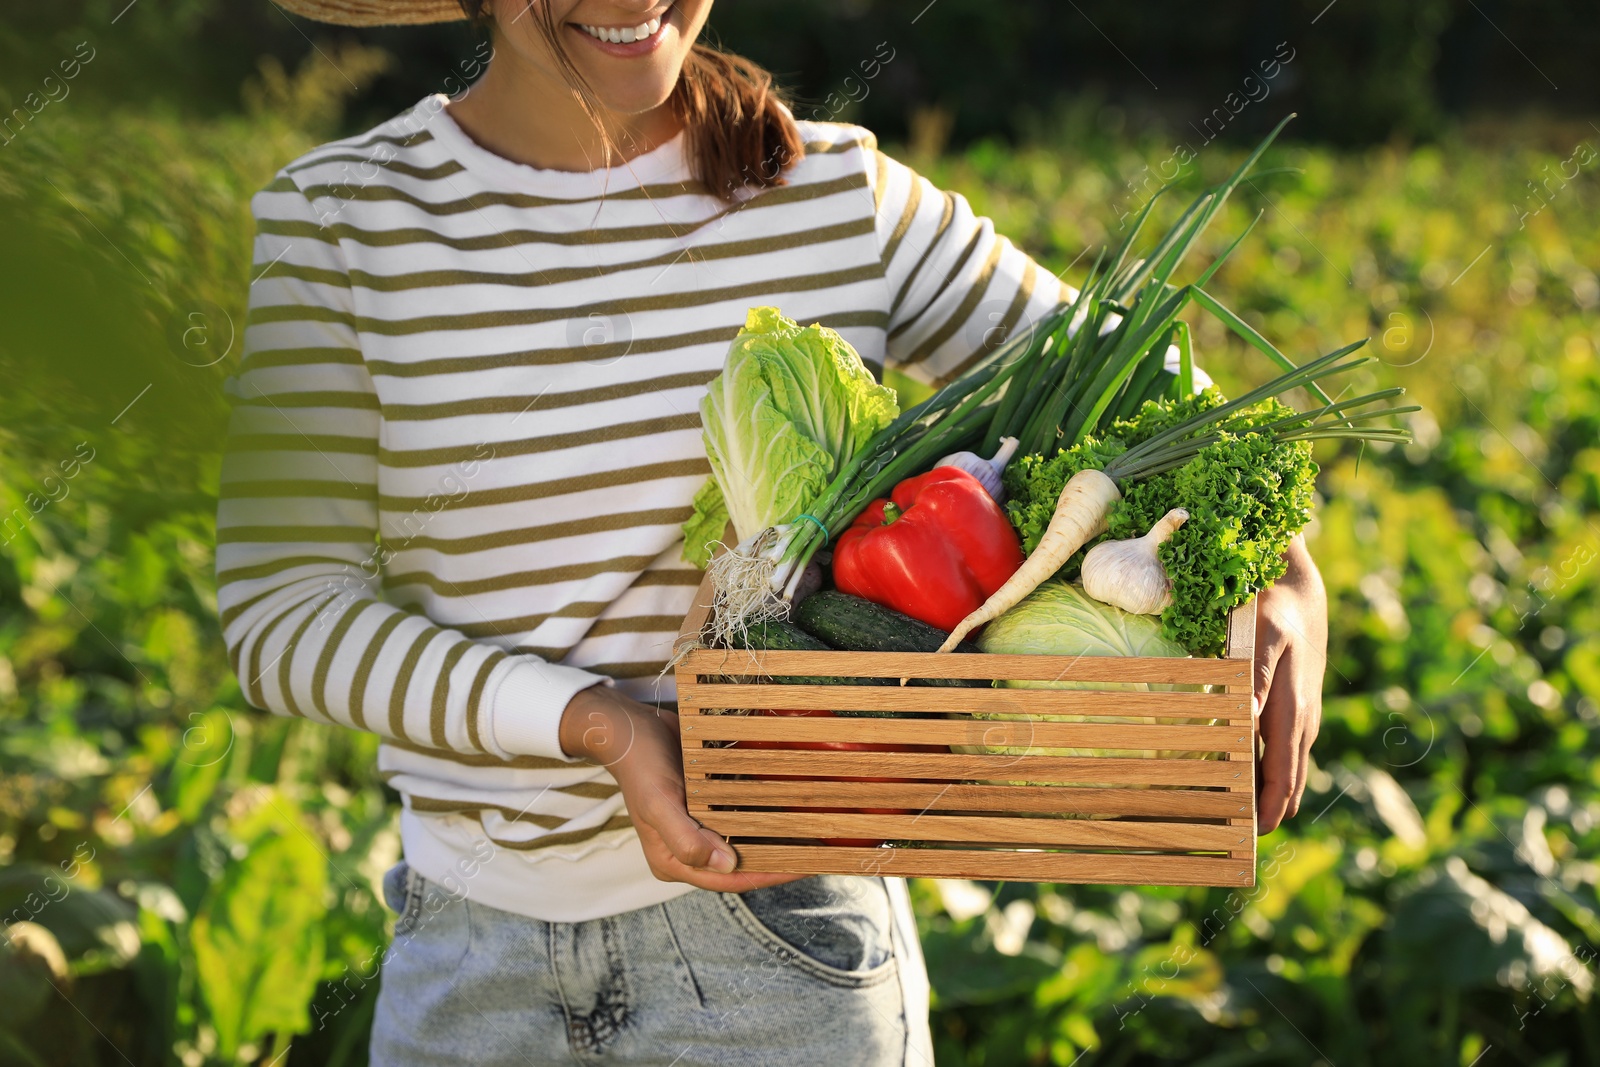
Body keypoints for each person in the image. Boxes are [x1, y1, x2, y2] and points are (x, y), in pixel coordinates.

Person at [217, 1, 1329, 1062]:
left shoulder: (839, 192)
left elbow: (1168, 400)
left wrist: (1288, 576)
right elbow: (280, 611)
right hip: (467, 966)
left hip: (783, 952)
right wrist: (595, 721)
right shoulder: (341, 221)